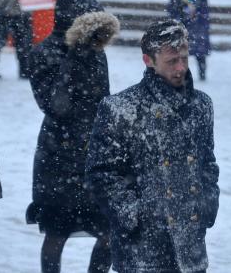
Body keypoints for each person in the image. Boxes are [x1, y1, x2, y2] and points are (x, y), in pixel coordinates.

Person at [85, 19, 220, 273]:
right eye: (171, 61)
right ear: (148, 60)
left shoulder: (202, 105)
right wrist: (133, 214)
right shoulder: (120, 108)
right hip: (142, 249)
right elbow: (100, 175)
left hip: (190, 247)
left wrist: (207, 204)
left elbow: (208, 164)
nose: (180, 68)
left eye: (184, 58)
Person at [25, 0, 120, 272]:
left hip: (95, 155)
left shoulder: (96, 52)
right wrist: (74, 55)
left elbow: (103, 100)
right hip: (58, 158)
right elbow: (57, 106)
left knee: (109, 233)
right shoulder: (43, 53)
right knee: (57, 234)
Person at [167, 0, 210, 81]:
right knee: (179, 53)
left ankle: (202, 74)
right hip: (181, 28)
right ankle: (179, 74)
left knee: (200, 54)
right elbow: (172, 11)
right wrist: (182, 15)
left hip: (197, 29)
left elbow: (204, 11)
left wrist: (194, 15)